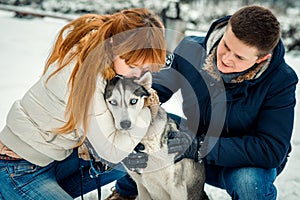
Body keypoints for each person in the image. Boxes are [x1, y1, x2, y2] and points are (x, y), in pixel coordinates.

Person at [107, 5, 298, 200]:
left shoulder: (281, 80)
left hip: (241, 163)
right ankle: (124, 193)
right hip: (192, 141)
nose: (226, 58)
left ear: (261, 59)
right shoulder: (190, 48)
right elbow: (155, 90)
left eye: (239, 57)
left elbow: (271, 149)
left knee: (249, 184)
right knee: (150, 124)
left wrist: (200, 146)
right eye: (226, 45)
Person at [0, 8, 166, 199]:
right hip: (18, 166)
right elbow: (112, 152)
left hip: (55, 158)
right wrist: (146, 110)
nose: (137, 74)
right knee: (122, 152)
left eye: (145, 67)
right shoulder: (88, 74)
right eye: (132, 66)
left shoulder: (100, 50)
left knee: (139, 156)